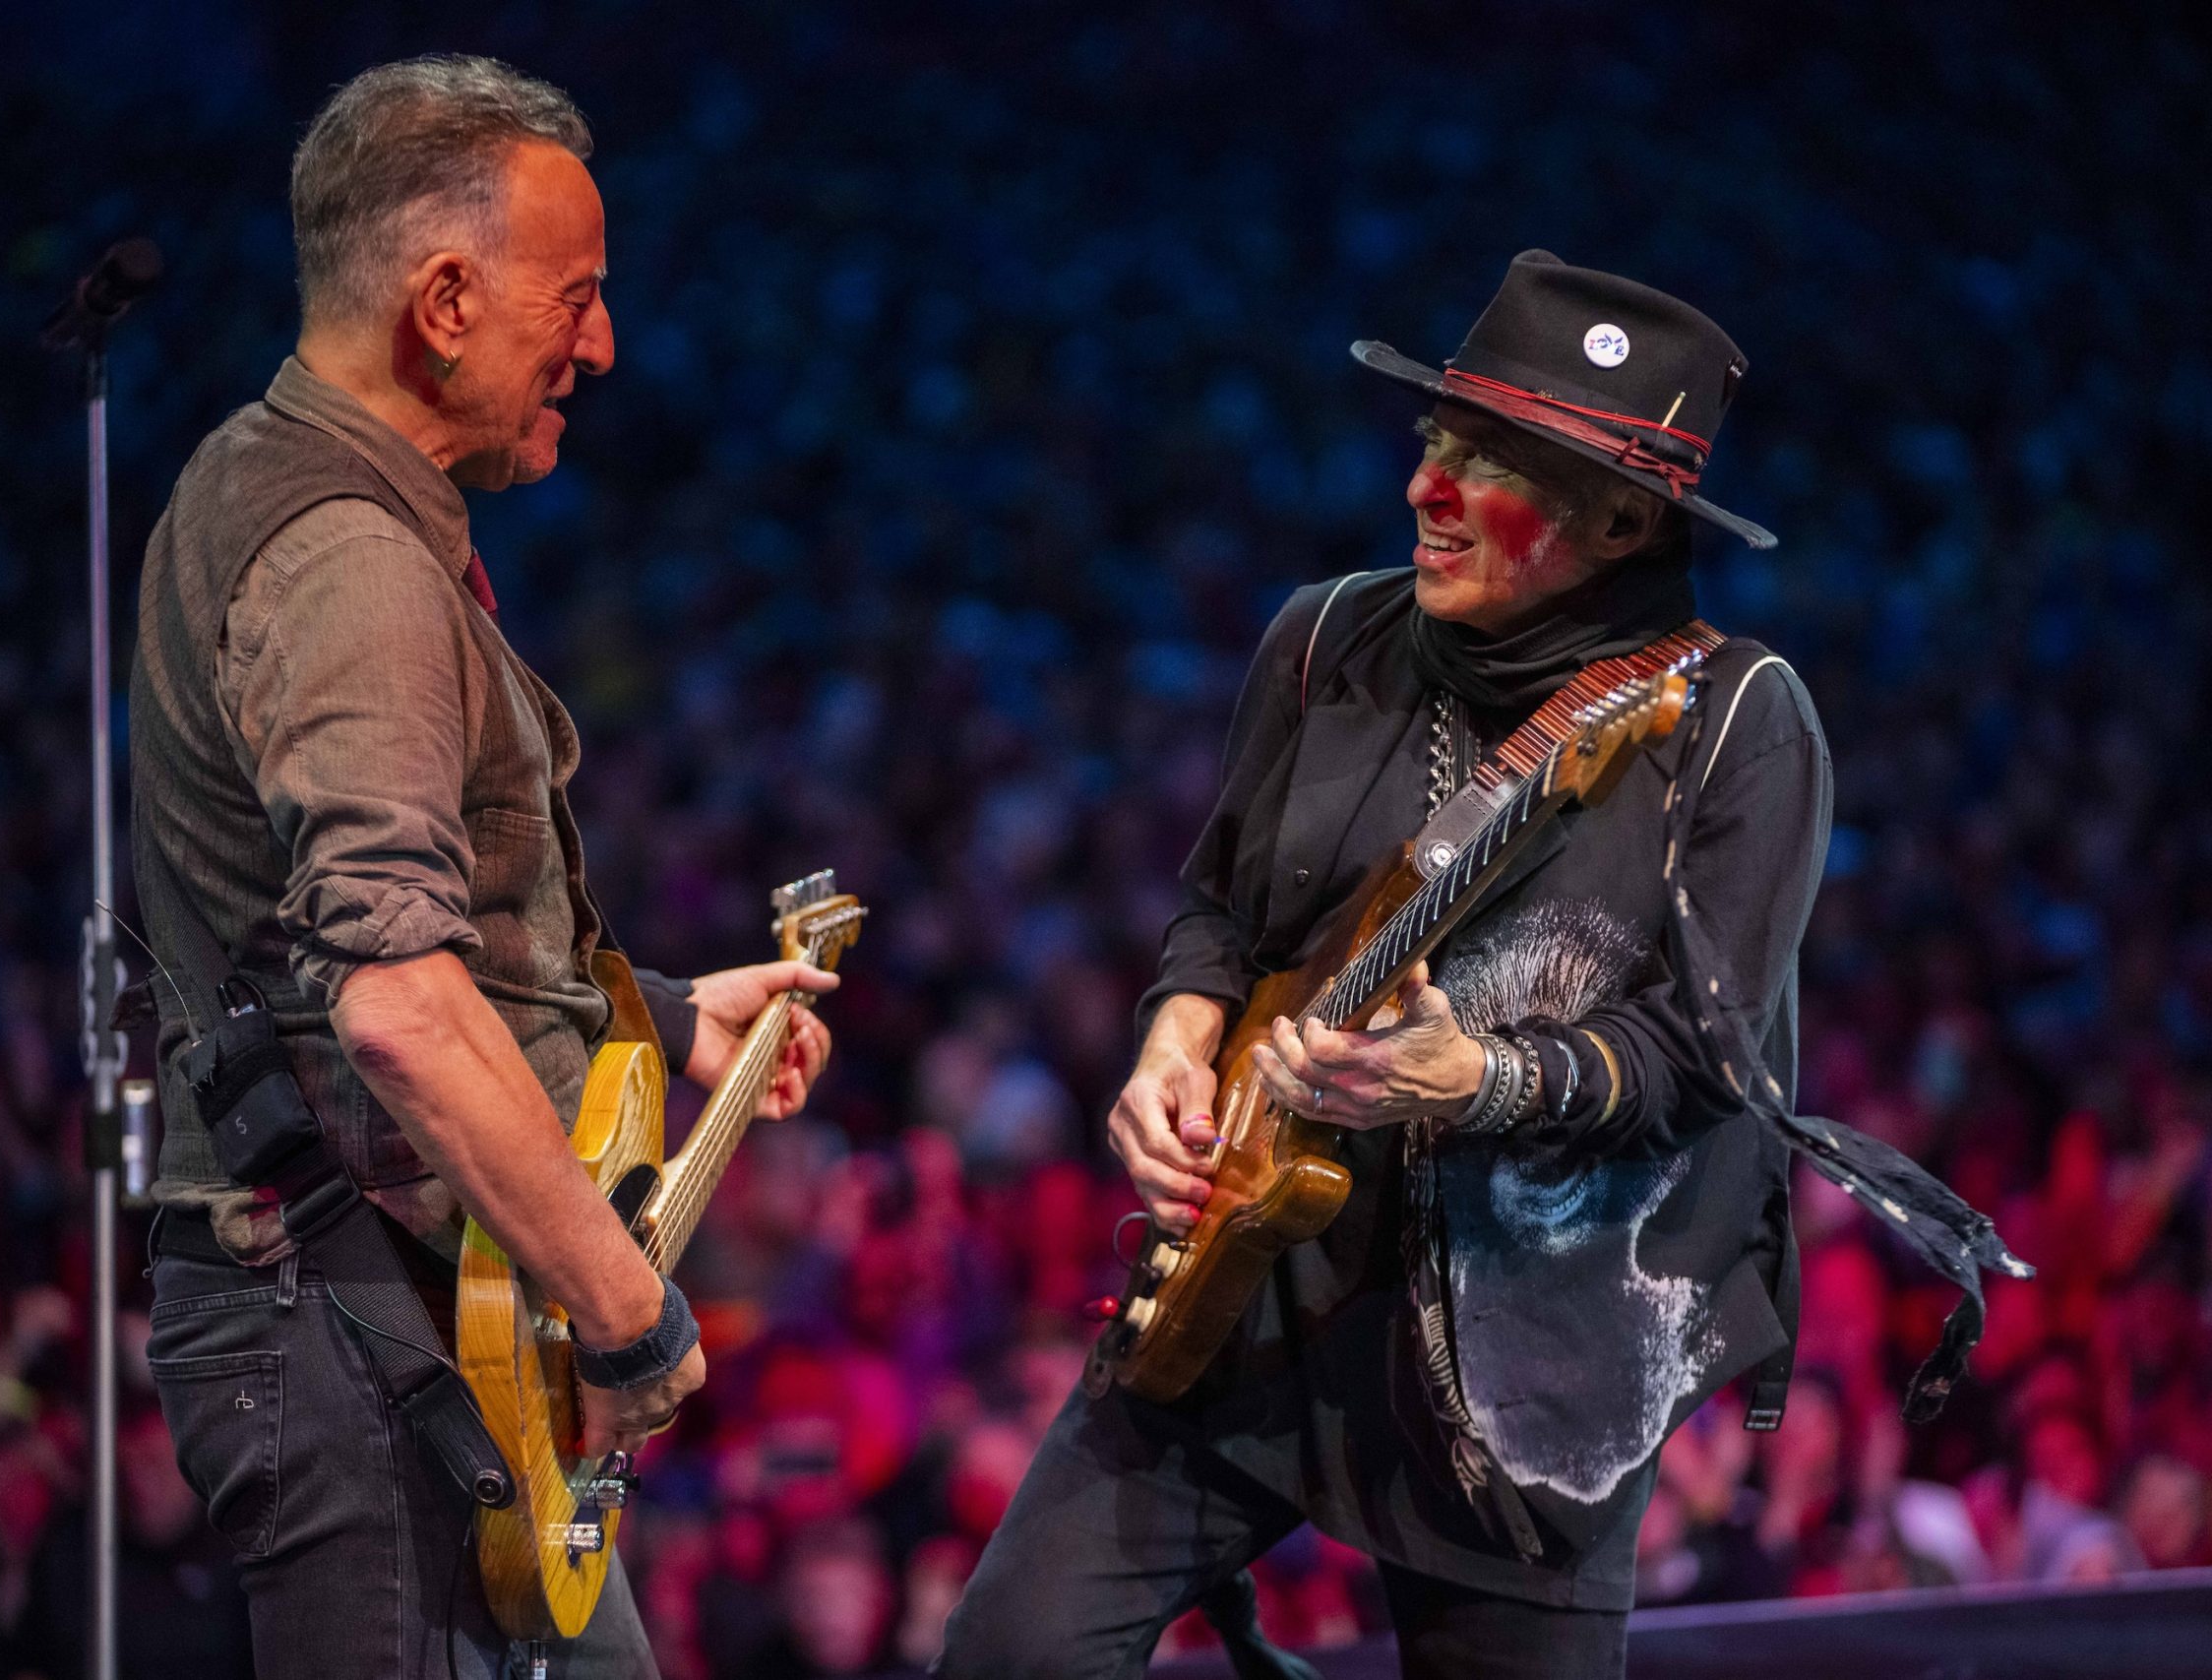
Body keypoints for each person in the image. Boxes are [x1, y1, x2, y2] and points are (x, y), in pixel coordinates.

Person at [944, 253, 2013, 1679]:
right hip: (1255, 1293)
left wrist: (1484, 1078)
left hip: (1531, 1372)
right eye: (1434, 445)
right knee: (1010, 1657)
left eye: (1487, 468)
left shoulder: (1739, 722)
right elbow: (1221, 911)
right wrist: (1175, 1035)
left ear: (1626, 517)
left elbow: (1707, 1062)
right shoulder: (1323, 638)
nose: (1423, 494)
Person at [126, 56, 832, 1679]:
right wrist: (630, 1314)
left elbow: (331, 936)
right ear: (445, 299)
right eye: (575, 298)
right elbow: (389, 1005)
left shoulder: (278, 491)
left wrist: (656, 1010)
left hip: (401, 1326)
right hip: (362, 1337)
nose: (602, 344)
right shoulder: (348, 560)